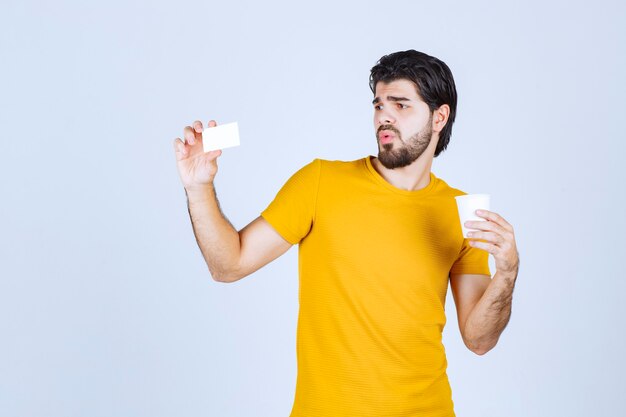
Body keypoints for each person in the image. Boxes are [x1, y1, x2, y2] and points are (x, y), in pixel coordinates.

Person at [173, 50, 519, 417]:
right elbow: (229, 265)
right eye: (379, 104)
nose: (384, 115)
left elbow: (479, 339)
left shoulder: (460, 210)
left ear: (439, 117)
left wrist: (507, 273)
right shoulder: (320, 182)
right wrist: (198, 188)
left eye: (401, 105)